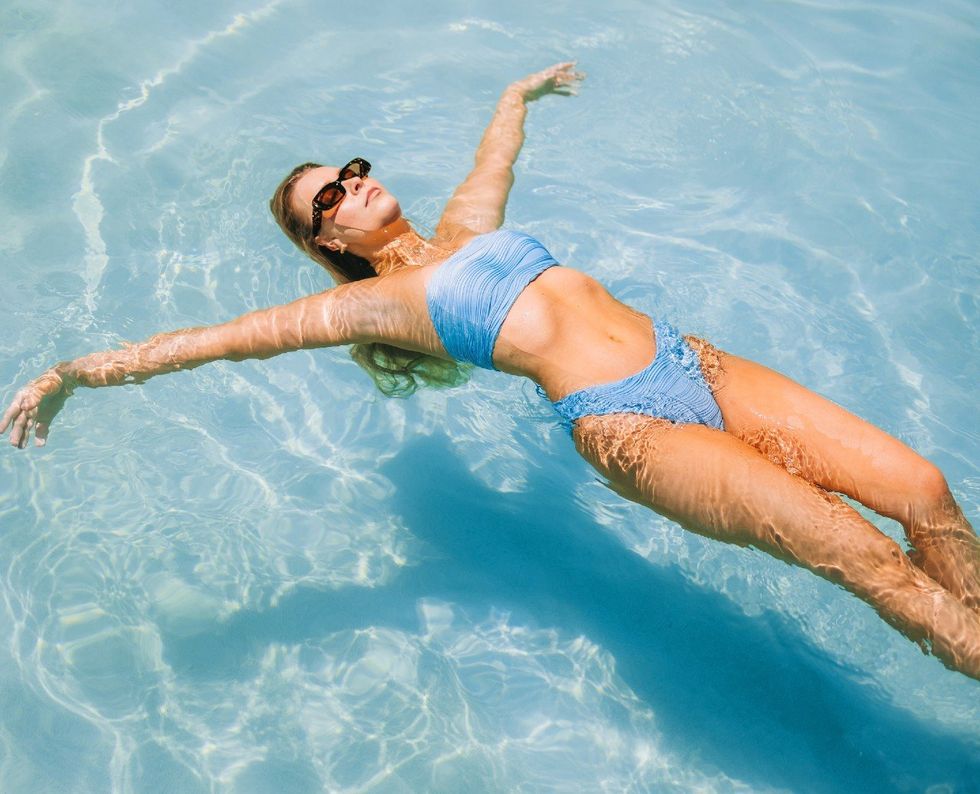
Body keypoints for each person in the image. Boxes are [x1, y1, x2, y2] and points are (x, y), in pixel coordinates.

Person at [4, 63, 980, 680]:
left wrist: (517, 96)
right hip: (628, 425)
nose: (350, 185)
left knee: (922, 491)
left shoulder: (468, 225)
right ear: (328, 241)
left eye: (345, 170)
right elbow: (214, 339)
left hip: (697, 361)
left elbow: (493, 154)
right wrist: (74, 372)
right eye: (327, 199)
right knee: (860, 556)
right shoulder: (364, 305)